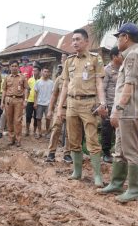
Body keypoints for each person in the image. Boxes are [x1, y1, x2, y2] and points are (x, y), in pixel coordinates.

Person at [98, 22, 138, 202]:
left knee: (130, 151)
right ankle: (116, 183)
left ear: (126, 37)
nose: (118, 40)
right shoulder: (133, 54)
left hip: (129, 111)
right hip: (127, 111)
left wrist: (118, 109)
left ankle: (135, 190)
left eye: (119, 37)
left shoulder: (133, 56)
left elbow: (129, 86)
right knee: (120, 150)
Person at [57, 28, 107, 188]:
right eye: (73, 40)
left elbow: (99, 83)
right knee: (73, 140)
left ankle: (98, 176)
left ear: (86, 41)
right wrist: (60, 107)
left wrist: (102, 102)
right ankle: (77, 172)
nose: (74, 42)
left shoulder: (95, 59)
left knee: (92, 140)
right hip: (71, 104)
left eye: (78, 39)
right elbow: (65, 85)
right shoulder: (69, 61)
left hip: (89, 104)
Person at [45, 64, 72, 163]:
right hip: (60, 109)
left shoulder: (75, 78)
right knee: (56, 130)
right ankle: (51, 153)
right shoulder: (59, 79)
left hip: (72, 109)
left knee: (70, 132)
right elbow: (54, 95)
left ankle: (67, 154)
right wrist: (50, 110)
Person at [101, 46, 123, 163]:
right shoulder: (106, 70)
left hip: (120, 105)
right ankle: (106, 153)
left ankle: (119, 152)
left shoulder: (123, 69)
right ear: (114, 57)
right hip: (109, 104)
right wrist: (103, 105)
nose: (122, 57)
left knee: (120, 130)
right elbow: (102, 89)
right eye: (120, 55)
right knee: (107, 130)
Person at [0, 60, 27, 147]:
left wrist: (25, 99)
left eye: (16, 66)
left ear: (18, 67)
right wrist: (2, 102)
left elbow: (26, 89)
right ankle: (11, 139)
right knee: (9, 119)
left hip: (19, 100)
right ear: (9, 67)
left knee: (18, 120)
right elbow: (4, 90)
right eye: (12, 66)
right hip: (9, 100)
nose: (14, 67)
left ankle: (18, 140)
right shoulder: (7, 78)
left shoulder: (22, 77)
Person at [34, 66, 54, 138]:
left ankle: (47, 132)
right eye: (45, 71)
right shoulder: (38, 82)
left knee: (48, 118)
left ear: (49, 73)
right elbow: (36, 93)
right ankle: (39, 132)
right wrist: (35, 102)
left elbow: (53, 94)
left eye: (47, 72)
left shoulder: (51, 82)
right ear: (42, 72)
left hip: (48, 104)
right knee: (38, 118)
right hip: (39, 103)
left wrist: (52, 104)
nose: (46, 73)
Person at [24, 65, 40, 136]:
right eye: (33, 70)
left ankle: (34, 131)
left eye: (36, 70)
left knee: (37, 117)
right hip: (30, 100)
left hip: (38, 101)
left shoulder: (41, 80)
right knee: (28, 116)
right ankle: (27, 130)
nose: (34, 72)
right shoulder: (30, 80)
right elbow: (27, 90)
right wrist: (26, 99)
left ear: (39, 71)